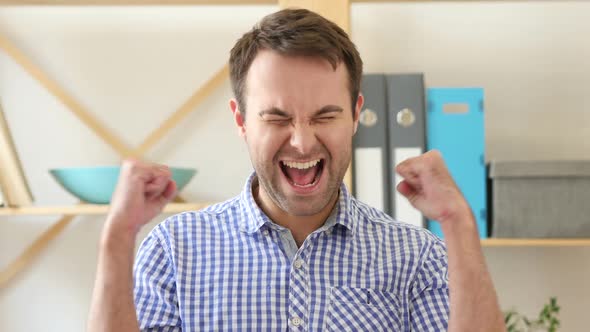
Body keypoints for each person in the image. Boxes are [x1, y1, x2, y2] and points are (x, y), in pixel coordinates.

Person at [88, 8, 504, 332]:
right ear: (241, 121)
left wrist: (458, 222)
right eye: (277, 118)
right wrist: (118, 236)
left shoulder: (418, 258)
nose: (303, 142)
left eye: (325, 116)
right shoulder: (172, 252)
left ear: (357, 114)